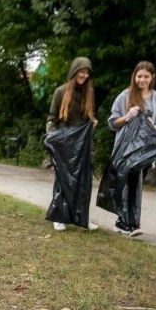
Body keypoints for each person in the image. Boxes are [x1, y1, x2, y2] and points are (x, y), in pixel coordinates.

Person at [106, 61, 156, 236]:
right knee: (125, 183)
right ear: (134, 76)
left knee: (136, 185)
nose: (142, 80)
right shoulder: (124, 96)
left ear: (152, 78)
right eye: (139, 76)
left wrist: (153, 126)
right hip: (126, 148)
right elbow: (112, 123)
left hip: (146, 150)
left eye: (146, 76)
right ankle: (126, 223)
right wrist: (127, 116)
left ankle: (127, 222)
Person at [45, 57, 99, 232]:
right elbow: (52, 119)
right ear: (74, 71)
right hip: (65, 143)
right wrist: (53, 137)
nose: (83, 75)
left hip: (82, 145)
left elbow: (88, 118)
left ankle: (83, 218)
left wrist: (93, 121)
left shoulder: (89, 93)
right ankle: (59, 217)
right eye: (81, 71)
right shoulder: (60, 92)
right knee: (62, 180)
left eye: (87, 72)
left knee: (84, 182)